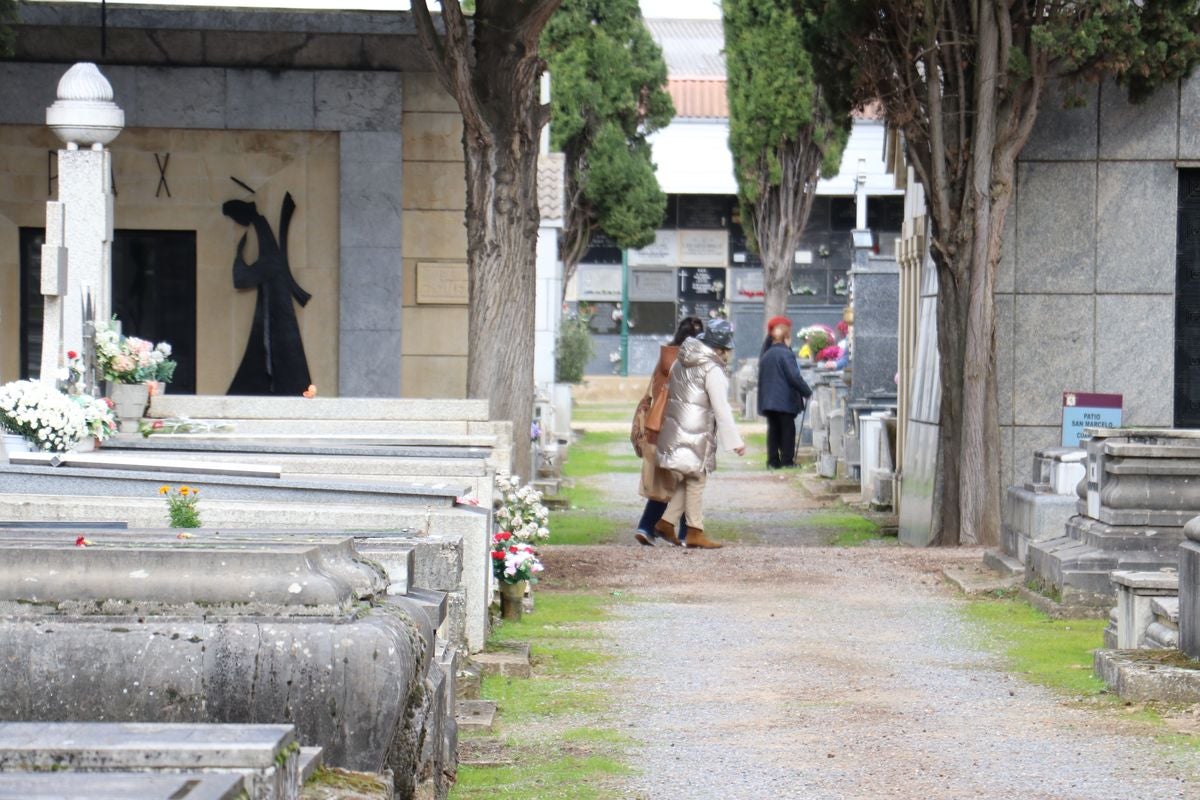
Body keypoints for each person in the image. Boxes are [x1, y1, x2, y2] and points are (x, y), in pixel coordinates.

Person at [654, 318, 746, 549]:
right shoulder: (712, 368)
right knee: (697, 478)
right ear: (722, 349)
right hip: (696, 431)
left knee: (689, 477)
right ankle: (695, 531)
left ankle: (666, 522)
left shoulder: (681, 361)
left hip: (676, 427)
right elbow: (721, 407)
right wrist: (734, 441)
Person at [630, 316, 704, 546]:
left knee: (668, 483)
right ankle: (680, 532)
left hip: (656, 429)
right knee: (685, 479)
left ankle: (651, 527)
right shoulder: (693, 363)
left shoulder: (664, 359)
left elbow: (652, 391)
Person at [757, 315, 812, 469]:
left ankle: (773, 461)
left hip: (769, 400)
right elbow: (793, 376)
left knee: (774, 430)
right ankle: (787, 461)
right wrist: (806, 391)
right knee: (788, 431)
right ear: (786, 336)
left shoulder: (766, 354)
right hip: (783, 399)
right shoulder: (785, 353)